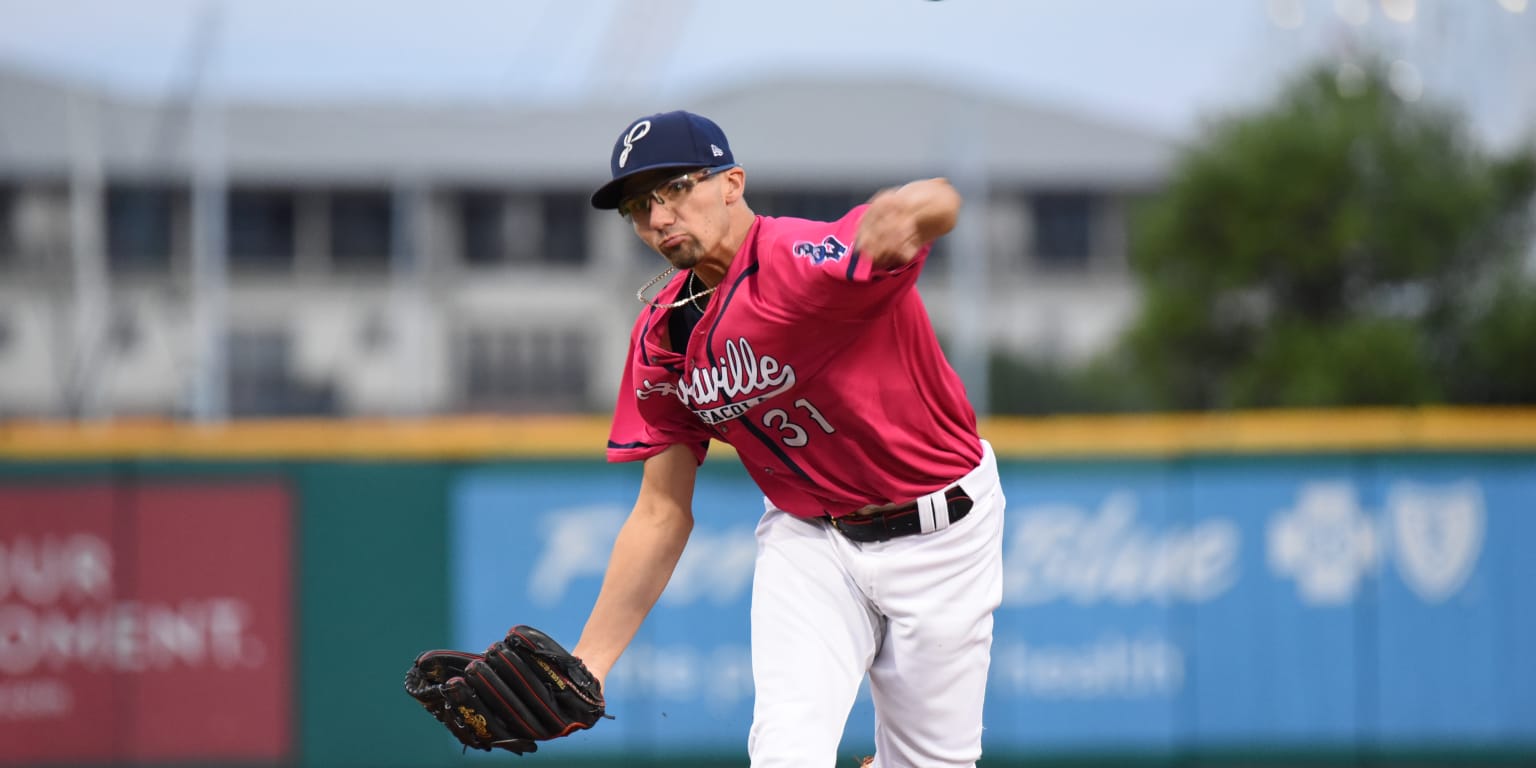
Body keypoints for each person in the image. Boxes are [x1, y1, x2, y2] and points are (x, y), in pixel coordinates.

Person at [571, 110, 1006, 768]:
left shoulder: (801, 262)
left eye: (673, 190)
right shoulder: (663, 339)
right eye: (637, 205)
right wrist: (587, 666)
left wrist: (912, 206)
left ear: (731, 183)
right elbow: (661, 510)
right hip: (811, 539)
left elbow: (939, 202)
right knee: (786, 753)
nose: (657, 219)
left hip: (943, 529)